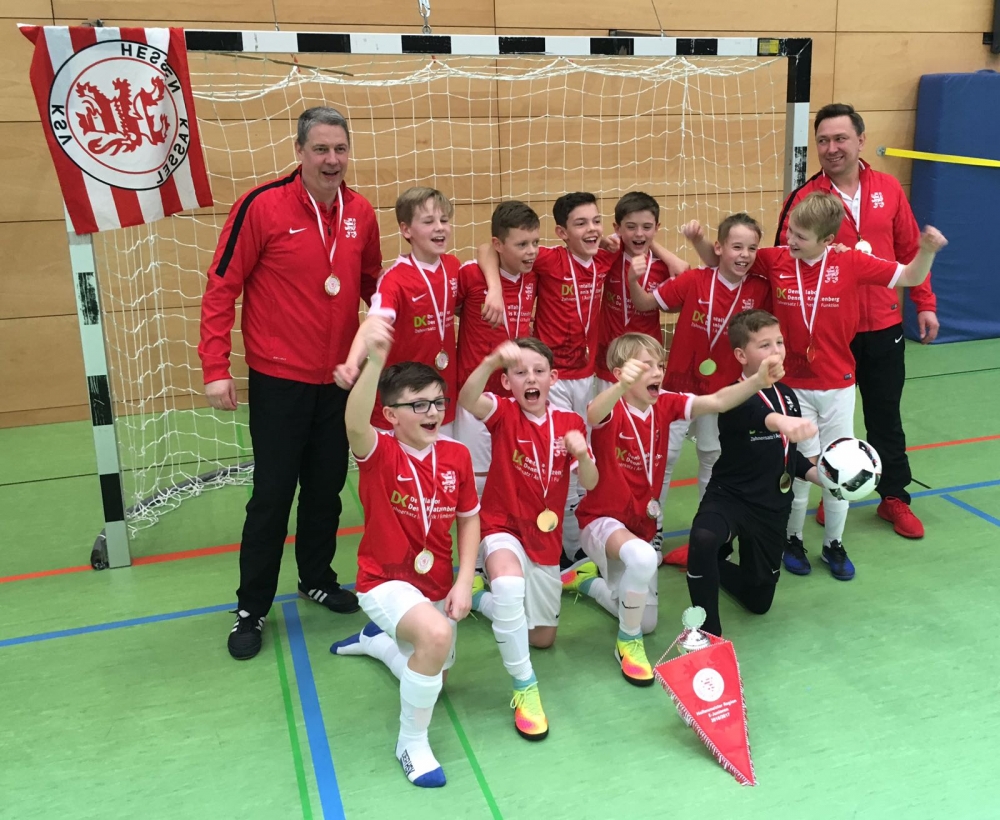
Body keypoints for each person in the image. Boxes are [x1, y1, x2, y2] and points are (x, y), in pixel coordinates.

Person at [198, 107, 382, 660]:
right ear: (299, 151)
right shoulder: (261, 206)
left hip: (338, 381)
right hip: (279, 381)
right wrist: (214, 367)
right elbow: (220, 287)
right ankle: (251, 608)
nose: (332, 160)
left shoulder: (361, 212)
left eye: (340, 149)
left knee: (326, 489)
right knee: (273, 497)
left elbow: (375, 287)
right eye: (321, 149)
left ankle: (316, 577)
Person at [685, 193, 946, 580]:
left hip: (838, 385)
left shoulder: (850, 261)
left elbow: (910, 276)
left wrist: (927, 251)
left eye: (800, 236)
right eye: (790, 231)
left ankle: (833, 543)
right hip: (791, 388)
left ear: (827, 240)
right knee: (800, 468)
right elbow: (722, 261)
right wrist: (699, 242)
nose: (790, 240)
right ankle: (793, 539)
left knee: (840, 467)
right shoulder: (775, 260)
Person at [564, 332, 785, 683]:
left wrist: (757, 381)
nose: (657, 371)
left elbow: (717, 401)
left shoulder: (665, 403)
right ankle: (627, 644)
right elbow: (593, 414)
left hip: (640, 524)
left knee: (647, 621)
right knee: (643, 560)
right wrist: (621, 386)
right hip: (601, 521)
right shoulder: (612, 406)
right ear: (622, 373)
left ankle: (588, 582)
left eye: (660, 365)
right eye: (646, 366)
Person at [775, 103, 939, 539]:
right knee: (826, 427)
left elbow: (909, 249)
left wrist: (924, 302)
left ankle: (894, 498)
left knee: (885, 416)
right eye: (823, 140)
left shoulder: (889, 187)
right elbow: (782, 264)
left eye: (840, 138)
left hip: (883, 326)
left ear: (861, 140)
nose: (832, 148)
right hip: (827, 335)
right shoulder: (805, 198)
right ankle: (833, 490)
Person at [330, 317, 480, 788]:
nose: (432, 411)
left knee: (436, 674)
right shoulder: (379, 451)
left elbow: (469, 519)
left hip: (435, 582)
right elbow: (354, 422)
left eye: (437, 401)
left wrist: (463, 580)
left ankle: (377, 643)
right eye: (418, 404)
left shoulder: (456, 455)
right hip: (384, 579)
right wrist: (374, 361)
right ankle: (411, 744)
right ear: (391, 415)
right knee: (434, 637)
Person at [458, 337, 597, 740]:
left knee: (542, 639)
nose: (530, 379)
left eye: (538, 371)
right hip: (502, 525)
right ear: (507, 383)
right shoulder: (502, 412)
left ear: (554, 378)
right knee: (508, 584)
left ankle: (480, 600)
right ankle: (525, 687)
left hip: (544, 537)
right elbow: (467, 399)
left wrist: (582, 454)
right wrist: (490, 360)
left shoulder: (570, 423)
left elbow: (591, 482)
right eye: (520, 372)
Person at [477, 192, 614, 565]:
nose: (591, 228)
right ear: (562, 232)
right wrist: (493, 288)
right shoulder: (547, 259)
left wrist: (606, 237)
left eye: (596, 221)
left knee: (579, 462)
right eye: (580, 223)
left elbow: (638, 240)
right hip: (548, 380)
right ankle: (560, 550)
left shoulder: (606, 257)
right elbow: (487, 248)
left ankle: (576, 546)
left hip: (586, 376)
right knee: (552, 464)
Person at [685, 309, 822, 637]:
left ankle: (713, 568)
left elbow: (786, 454)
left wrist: (819, 475)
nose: (776, 351)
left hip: (771, 506)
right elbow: (759, 416)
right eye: (764, 345)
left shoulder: (788, 396)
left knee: (759, 601)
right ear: (741, 356)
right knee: (704, 538)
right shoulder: (733, 397)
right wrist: (781, 422)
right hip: (730, 496)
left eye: (779, 342)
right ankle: (708, 633)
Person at [628, 213, 772, 513]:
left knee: (712, 456)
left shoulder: (760, 289)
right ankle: (653, 526)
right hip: (677, 387)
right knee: (665, 457)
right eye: (737, 247)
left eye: (752, 248)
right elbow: (644, 303)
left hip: (723, 393)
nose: (744, 255)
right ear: (718, 247)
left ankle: (709, 523)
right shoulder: (694, 279)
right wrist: (632, 280)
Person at [352, 187, 462, 435]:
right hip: (400, 403)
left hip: (441, 399)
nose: (440, 227)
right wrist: (352, 364)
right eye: (428, 221)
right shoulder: (394, 279)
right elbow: (375, 323)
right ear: (406, 230)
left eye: (444, 220)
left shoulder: (453, 267)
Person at [454, 202, 540, 496]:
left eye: (535, 242)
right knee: (477, 484)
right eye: (522, 244)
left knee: (518, 481)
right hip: (476, 396)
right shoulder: (470, 275)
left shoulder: (534, 273)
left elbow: (487, 248)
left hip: (518, 398)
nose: (531, 251)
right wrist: (494, 287)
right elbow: (483, 249)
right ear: (499, 244)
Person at [594, 192, 686, 392]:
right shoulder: (610, 255)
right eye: (630, 227)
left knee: (646, 410)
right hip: (610, 359)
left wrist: (664, 254)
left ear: (657, 228)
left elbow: (682, 275)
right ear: (617, 229)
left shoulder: (662, 267)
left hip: (647, 358)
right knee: (609, 411)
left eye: (647, 227)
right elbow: (590, 240)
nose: (639, 234)